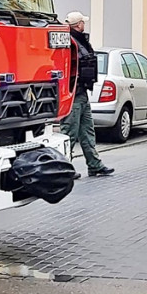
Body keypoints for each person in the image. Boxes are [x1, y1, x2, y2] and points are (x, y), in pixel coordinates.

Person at [62, 11, 115, 177]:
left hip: (81, 92)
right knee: (69, 132)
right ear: (78, 25)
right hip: (73, 94)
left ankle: (94, 165)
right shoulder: (70, 41)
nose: (84, 25)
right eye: (83, 22)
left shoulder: (79, 41)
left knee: (87, 130)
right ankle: (64, 169)